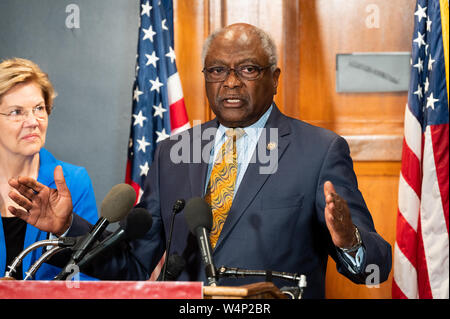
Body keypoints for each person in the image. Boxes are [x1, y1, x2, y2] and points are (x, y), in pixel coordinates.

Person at [8, 24, 391, 298]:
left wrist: (349, 239)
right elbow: (134, 265)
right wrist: (69, 227)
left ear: (275, 78)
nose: (231, 82)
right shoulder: (172, 153)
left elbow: (376, 266)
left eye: (248, 69)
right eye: (218, 71)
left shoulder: (319, 150)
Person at [0, 58, 98, 280]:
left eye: (39, 108)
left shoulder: (74, 181)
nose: (33, 121)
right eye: (16, 112)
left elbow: (87, 272)